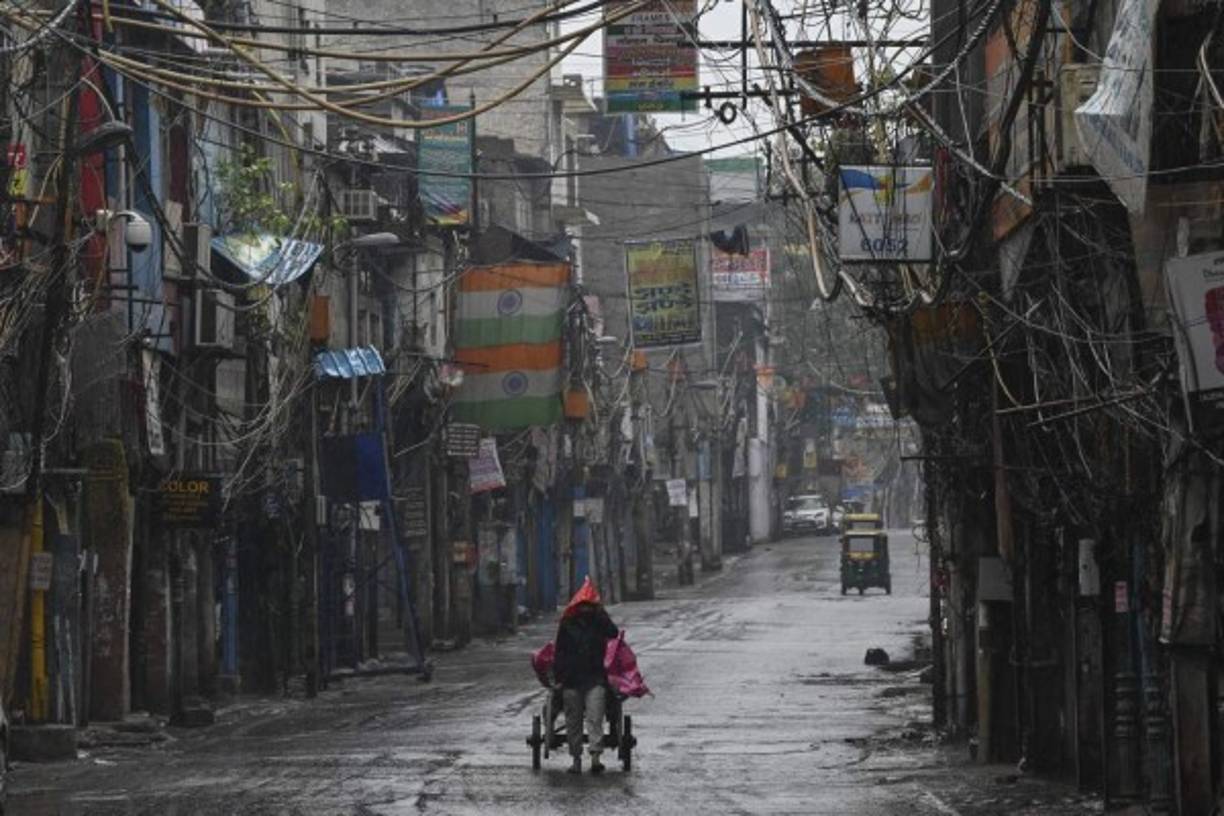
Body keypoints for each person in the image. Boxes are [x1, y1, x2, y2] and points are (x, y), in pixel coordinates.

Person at [552, 577, 618, 775]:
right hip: (571, 680)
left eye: (590, 606)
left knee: (595, 717)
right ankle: (576, 759)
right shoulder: (567, 624)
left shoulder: (599, 623)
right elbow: (559, 653)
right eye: (583, 605)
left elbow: (613, 633)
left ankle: (595, 757)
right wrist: (559, 678)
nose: (586, 609)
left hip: (595, 679)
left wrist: (602, 614)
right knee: (573, 721)